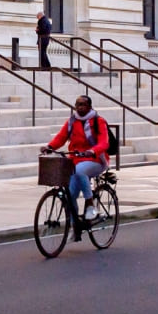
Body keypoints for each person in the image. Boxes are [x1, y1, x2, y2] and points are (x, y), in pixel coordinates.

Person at [43, 95, 111, 225]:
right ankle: (75, 228)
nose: (79, 107)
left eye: (83, 104)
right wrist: (49, 147)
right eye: (77, 104)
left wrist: (92, 150)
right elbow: (61, 137)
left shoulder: (98, 121)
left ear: (89, 107)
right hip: (75, 160)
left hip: (95, 160)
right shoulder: (72, 121)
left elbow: (104, 143)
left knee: (80, 171)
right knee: (70, 195)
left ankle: (90, 203)